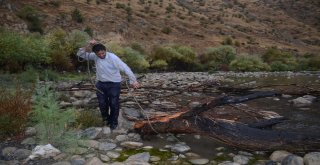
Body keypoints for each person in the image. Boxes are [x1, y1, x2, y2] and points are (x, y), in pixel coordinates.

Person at [77, 39, 139, 130]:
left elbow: (125, 67)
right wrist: (88, 45)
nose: (101, 55)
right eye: (99, 54)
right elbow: (80, 54)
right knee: (102, 104)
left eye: (103, 53)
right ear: (95, 53)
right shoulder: (94, 56)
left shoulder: (113, 57)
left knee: (114, 104)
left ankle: (114, 123)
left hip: (114, 84)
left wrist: (133, 80)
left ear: (105, 50)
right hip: (100, 84)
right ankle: (106, 120)